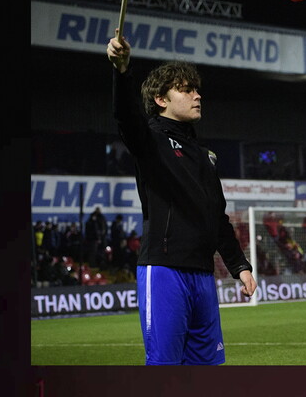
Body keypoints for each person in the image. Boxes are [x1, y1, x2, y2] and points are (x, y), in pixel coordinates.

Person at [107, 32, 256, 365]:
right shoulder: (151, 139)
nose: (197, 95)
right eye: (186, 90)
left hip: (203, 275)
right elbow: (126, 118)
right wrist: (121, 72)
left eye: (197, 89)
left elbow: (217, 215)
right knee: (165, 368)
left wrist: (239, 266)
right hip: (165, 271)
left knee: (209, 369)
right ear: (161, 99)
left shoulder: (203, 156)